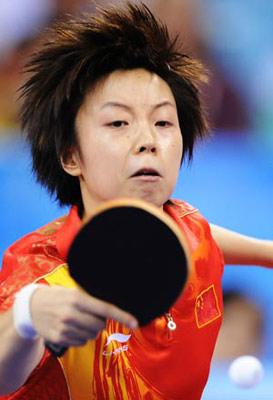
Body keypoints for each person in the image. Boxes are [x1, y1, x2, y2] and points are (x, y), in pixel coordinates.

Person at [0, 3, 272, 399]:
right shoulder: (40, 273)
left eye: (163, 122)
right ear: (71, 155)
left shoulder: (183, 228)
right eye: (118, 123)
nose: (149, 141)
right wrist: (27, 318)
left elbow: (197, 234)